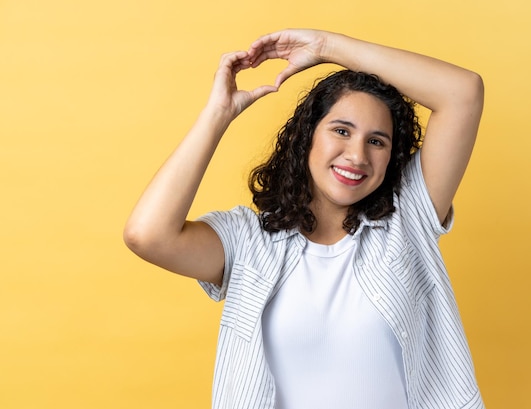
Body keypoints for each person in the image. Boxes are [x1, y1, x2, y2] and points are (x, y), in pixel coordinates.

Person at [124, 29, 485, 409]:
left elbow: (464, 93)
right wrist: (218, 114)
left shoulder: (408, 217)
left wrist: (327, 48)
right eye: (341, 131)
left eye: (377, 141)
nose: (358, 155)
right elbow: (147, 235)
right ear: (307, 137)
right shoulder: (248, 242)